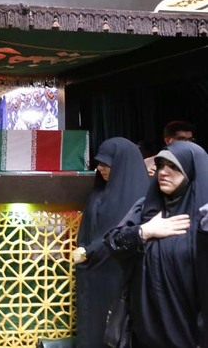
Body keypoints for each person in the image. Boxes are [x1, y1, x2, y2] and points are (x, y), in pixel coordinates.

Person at [106, 141, 206, 348]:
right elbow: (113, 242)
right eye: (160, 166)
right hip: (144, 331)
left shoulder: (203, 217)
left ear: (192, 171)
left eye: (174, 167)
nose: (163, 172)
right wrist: (145, 231)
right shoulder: (147, 208)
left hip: (190, 333)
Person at [71, 137, 150, 348]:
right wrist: (86, 252)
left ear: (122, 164)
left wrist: (90, 251)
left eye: (106, 164)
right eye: (99, 163)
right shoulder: (99, 193)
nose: (100, 168)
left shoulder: (143, 198)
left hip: (123, 275)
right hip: (94, 274)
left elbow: (126, 235)